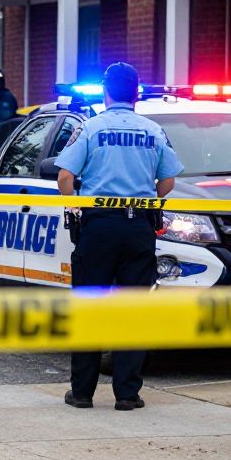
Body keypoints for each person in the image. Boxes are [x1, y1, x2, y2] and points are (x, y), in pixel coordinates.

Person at [54, 62, 183, 410]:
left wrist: (78, 206)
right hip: (138, 228)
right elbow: (168, 181)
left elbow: (65, 177)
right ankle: (127, 394)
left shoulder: (91, 128)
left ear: (107, 91)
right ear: (137, 92)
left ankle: (82, 392)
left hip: (97, 228)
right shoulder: (154, 130)